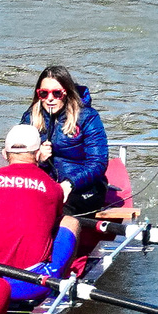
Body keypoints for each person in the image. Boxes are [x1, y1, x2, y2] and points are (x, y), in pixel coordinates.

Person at [0, 124, 79, 297]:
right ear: (38, 155)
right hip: (31, 284)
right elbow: (52, 227)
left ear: (5, 154)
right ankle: (60, 286)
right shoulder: (53, 188)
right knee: (71, 222)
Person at [21, 65, 110, 217]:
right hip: (43, 186)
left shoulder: (87, 117)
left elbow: (98, 163)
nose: (50, 98)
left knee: (58, 206)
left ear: (67, 93)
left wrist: (69, 184)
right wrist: (38, 159)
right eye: (44, 93)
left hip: (83, 188)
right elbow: (18, 157)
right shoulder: (30, 117)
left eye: (57, 93)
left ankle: (61, 238)